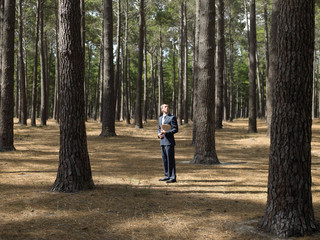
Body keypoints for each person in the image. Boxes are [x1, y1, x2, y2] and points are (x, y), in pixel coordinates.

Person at [158, 104, 178, 183]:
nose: (167, 108)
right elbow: (159, 128)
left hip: (169, 142)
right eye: (165, 107)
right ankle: (166, 175)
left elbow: (175, 129)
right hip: (162, 141)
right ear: (162, 109)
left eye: (168, 106)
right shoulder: (160, 118)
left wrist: (166, 132)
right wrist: (159, 134)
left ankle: (172, 177)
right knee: (165, 159)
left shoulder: (172, 118)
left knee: (170, 159)